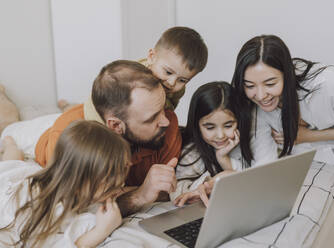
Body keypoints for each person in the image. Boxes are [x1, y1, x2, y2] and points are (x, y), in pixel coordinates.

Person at [231, 34, 334, 248]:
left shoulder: (330, 82)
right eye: (249, 85)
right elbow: (263, 160)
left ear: (286, 75)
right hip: (308, 160)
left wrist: (306, 136)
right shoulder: (252, 108)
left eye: (270, 83)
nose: (260, 95)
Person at [35, 60, 182, 217]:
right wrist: (139, 195)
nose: (165, 121)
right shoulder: (67, 140)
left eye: (162, 109)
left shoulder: (167, 125)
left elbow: (165, 191)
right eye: (151, 118)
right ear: (116, 126)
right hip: (43, 139)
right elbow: (77, 208)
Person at [0, 120, 131, 247]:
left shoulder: (75, 189)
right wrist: (100, 232)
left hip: (28, 176)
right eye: (112, 187)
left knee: (16, 161)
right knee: (12, 161)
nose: (121, 186)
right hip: (9, 185)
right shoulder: (41, 211)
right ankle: (9, 144)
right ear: (79, 183)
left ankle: (11, 146)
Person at [60, 26, 208, 112]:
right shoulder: (131, 78)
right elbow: (104, 105)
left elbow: (168, 110)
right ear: (151, 57)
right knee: (78, 113)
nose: (172, 82)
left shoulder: (177, 89)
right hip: (103, 105)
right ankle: (67, 106)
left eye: (183, 80)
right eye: (168, 72)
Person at [171, 81, 253, 207]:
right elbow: (178, 195)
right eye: (210, 127)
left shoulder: (246, 143)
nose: (220, 135)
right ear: (197, 125)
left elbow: (249, 184)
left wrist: (223, 158)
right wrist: (213, 181)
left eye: (228, 126)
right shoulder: (192, 153)